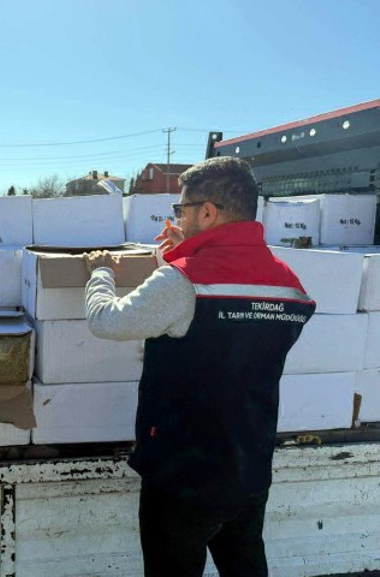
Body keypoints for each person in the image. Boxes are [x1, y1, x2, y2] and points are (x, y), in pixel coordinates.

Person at [84, 156, 315, 577]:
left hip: (182, 478)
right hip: (249, 469)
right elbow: (225, 330)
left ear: (207, 212)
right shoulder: (288, 284)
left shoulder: (181, 282)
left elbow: (109, 320)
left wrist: (99, 272)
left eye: (181, 210)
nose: (179, 219)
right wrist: (180, 253)